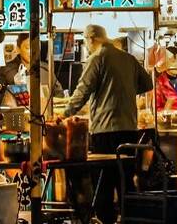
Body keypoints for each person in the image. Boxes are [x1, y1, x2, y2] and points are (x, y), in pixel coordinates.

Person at [64, 24, 153, 224]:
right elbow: (148, 83)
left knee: (103, 181)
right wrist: (125, 90)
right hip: (129, 129)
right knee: (125, 179)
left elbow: (83, 91)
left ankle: (107, 220)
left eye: (85, 41)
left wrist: (65, 114)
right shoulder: (128, 58)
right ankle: (130, 219)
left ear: (91, 39)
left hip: (105, 131)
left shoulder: (97, 58)